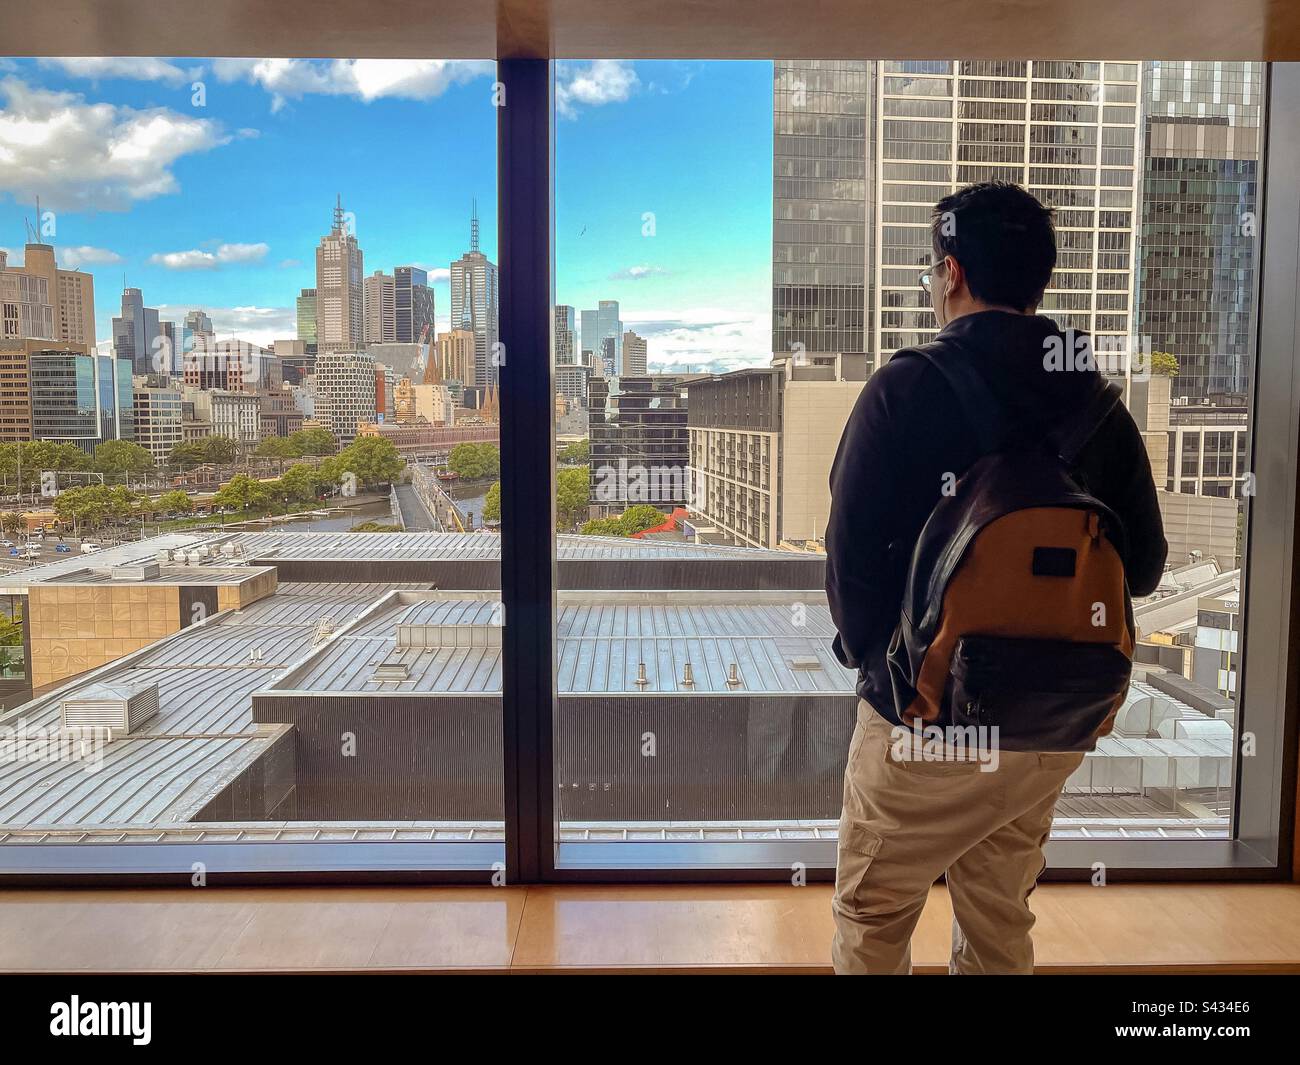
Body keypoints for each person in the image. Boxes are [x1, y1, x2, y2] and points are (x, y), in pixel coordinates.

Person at [824, 182, 1167, 975]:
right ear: (1038, 281)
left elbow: (847, 566)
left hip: (926, 719)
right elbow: (1141, 569)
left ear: (950, 274)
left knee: (874, 918)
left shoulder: (904, 388)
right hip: (1054, 717)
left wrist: (885, 667)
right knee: (998, 919)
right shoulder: (1097, 401)